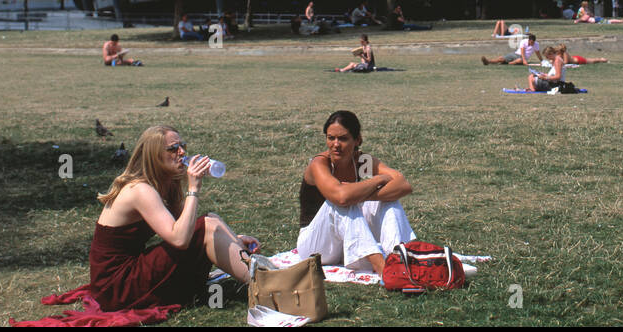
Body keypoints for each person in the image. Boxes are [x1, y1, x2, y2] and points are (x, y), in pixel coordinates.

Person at [89, 126, 260, 309]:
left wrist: (230, 240)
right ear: (154, 156)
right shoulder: (139, 189)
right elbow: (180, 240)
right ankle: (266, 287)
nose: (182, 152)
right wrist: (193, 189)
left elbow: (186, 228)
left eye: (182, 146)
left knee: (212, 219)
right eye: (173, 148)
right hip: (116, 287)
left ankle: (261, 274)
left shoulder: (166, 182)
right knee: (208, 226)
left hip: (129, 273)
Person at [296, 110, 414, 274]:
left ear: (357, 140)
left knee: (389, 199)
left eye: (343, 138)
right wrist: (378, 180)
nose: (336, 144)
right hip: (315, 246)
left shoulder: (361, 161)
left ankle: (400, 256)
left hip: (344, 242)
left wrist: (366, 197)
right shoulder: (320, 163)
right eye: (331, 138)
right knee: (341, 202)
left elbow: (403, 185)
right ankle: (382, 269)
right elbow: (342, 197)